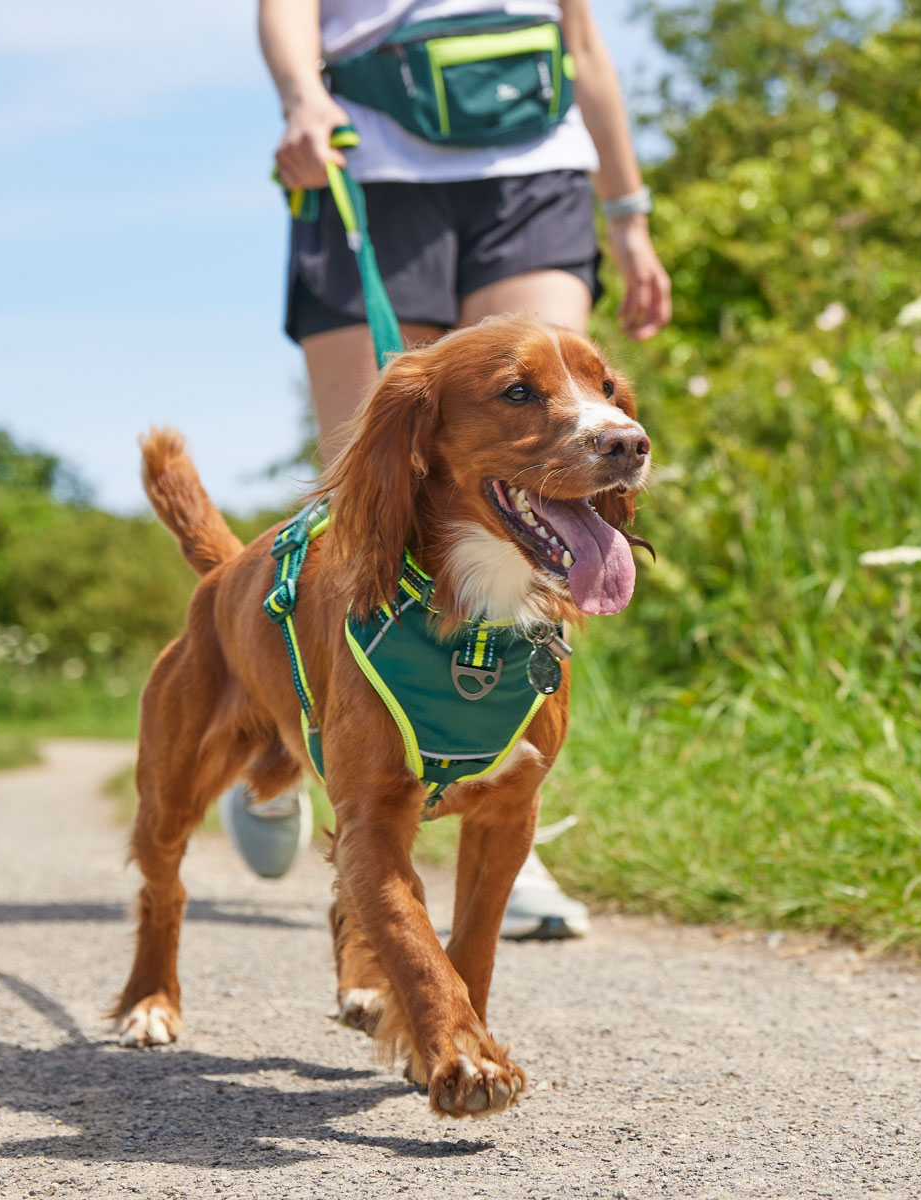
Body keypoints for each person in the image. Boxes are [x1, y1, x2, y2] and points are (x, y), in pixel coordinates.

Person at [222, 0, 670, 940]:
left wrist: (626, 214)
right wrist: (303, 99)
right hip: (371, 157)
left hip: (536, 167)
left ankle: (507, 794)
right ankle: (293, 748)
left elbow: (583, 44)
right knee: (371, 484)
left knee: (556, 461)